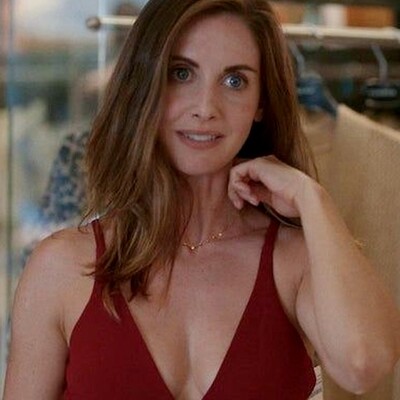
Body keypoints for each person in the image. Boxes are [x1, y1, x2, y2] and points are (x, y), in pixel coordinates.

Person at [3, 0, 400, 399]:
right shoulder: (61, 267)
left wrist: (312, 198)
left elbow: (364, 366)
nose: (206, 108)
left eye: (234, 81)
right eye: (182, 73)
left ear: (261, 102)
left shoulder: (294, 260)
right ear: (144, 84)